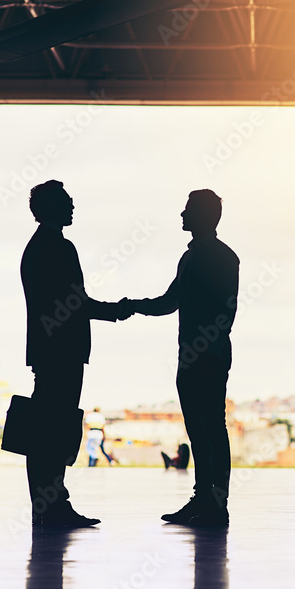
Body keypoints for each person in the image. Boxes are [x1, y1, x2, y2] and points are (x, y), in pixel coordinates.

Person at [121, 189, 238, 527]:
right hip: (195, 356)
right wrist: (135, 305)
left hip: (205, 357)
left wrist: (131, 307)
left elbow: (223, 310)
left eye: (187, 209)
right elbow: (170, 301)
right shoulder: (195, 256)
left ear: (202, 215)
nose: (182, 215)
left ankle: (214, 503)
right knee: (201, 430)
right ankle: (206, 500)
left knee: (211, 429)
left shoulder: (219, 257)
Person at [21, 180, 131, 529]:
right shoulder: (59, 247)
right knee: (54, 430)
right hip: (63, 351)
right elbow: (75, 303)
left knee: (44, 430)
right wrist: (116, 310)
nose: (73, 207)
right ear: (51, 207)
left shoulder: (36, 247)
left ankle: (48, 503)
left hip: (46, 349)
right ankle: (54, 505)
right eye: (67, 201)